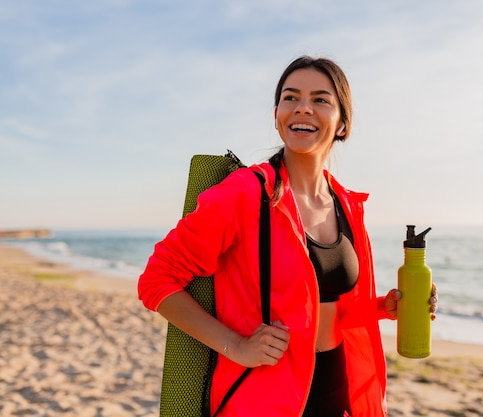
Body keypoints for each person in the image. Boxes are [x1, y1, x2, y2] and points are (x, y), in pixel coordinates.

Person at [138, 55, 438, 417]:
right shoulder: (246, 194)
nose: (303, 108)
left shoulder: (345, 204)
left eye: (320, 100)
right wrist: (234, 345)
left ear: (342, 122)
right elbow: (157, 281)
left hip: (336, 387)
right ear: (277, 115)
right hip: (263, 397)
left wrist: (384, 307)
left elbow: (325, 311)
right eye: (291, 97)